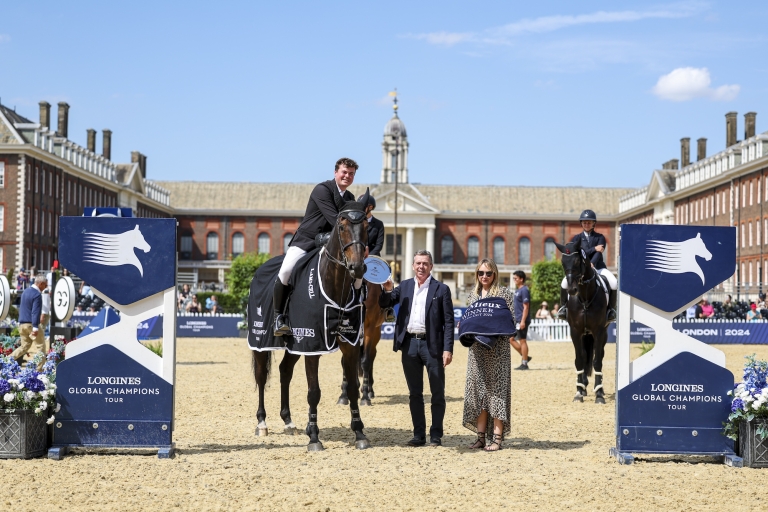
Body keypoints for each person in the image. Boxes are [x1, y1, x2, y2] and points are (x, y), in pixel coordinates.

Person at [274, 158, 359, 336]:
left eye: (351, 174)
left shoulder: (350, 198)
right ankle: (279, 317)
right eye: (344, 172)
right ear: (336, 172)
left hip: (330, 244)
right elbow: (335, 220)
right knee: (285, 272)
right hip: (307, 240)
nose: (347, 176)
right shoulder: (322, 189)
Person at [379, 250, 454, 447]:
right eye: (418, 263)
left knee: (437, 392)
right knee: (415, 393)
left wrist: (448, 349)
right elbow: (384, 303)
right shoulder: (404, 286)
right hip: (409, 345)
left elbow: (449, 321)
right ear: (413, 266)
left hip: (433, 346)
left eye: (425, 263)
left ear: (431, 267)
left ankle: (436, 435)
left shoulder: (442, 289)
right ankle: (418, 435)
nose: (421, 267)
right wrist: (387, 289)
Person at [463, 258, 513, 452]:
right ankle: (481, 438)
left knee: (497, 393)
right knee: (479, 394)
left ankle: (497, 439)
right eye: (481, 273)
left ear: (495, 275)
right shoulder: (472, 295)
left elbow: (511, 322)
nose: (484, 276)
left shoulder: (504, 294)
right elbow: (468, 320)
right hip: (476, 351)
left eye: (488, 273)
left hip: (498, 351)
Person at [556, 210, 618, 323]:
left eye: (589, 222)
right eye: (584, 222)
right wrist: (594, 249)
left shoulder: (600, 237)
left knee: (614, 282)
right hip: (581, 270)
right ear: (581, 223)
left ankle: (611, 310)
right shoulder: (576, 239)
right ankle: (563, 308)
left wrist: (592, 263)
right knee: (564, 283)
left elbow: (599, 253)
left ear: (594, 223)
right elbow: (580, 254)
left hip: (598, 267)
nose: (586, 224)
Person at [11, 274, 48, 369]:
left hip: (22, 324)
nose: (46, 287)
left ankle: (6, 361)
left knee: (24, 347)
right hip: (31, 324)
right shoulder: (37, 294)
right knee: (41, 348)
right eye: (45, 285)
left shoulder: (25, 292)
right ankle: (38, 370)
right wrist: (35, 327)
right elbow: (35, 312)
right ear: (41, 284)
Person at [510, 270, 532, 370]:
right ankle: (525, 356)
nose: (514, 280)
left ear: (521, 279)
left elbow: (526, 307)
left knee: (522, 341)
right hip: (517, 319)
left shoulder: (524, 290)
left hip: (522, 320)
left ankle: (524, 363)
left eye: (516, 278)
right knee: (510, 339)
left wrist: (523, 321)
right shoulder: (517, 290)